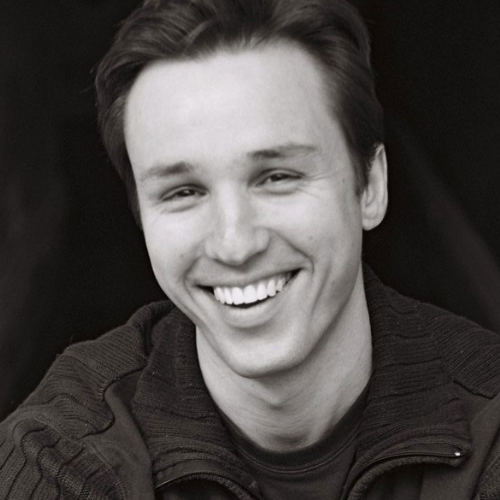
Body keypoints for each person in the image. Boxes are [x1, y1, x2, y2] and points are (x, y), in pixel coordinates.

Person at [1, 0, 500, 498]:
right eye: (183, 192)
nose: (235, 245)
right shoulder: (63, 452)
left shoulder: (490, 421)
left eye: (276, 177)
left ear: (370, 186)